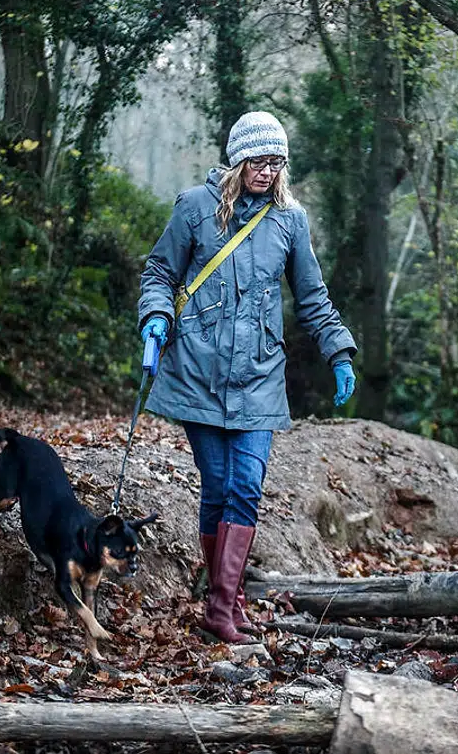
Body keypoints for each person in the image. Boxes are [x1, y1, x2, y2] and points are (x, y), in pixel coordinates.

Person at [138, 110, 356, 644]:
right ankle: (224, 605)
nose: (269, 171)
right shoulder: (194, 209)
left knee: (245, 487)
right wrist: (155, 318)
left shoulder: (290, 220)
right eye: (260, 161)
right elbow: (160, 272)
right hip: (197, 370)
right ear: (238, 160)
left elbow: (312, 297)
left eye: (277, 161)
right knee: (216, 488)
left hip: (260, 374)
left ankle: (221, 605)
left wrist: (339, 351)